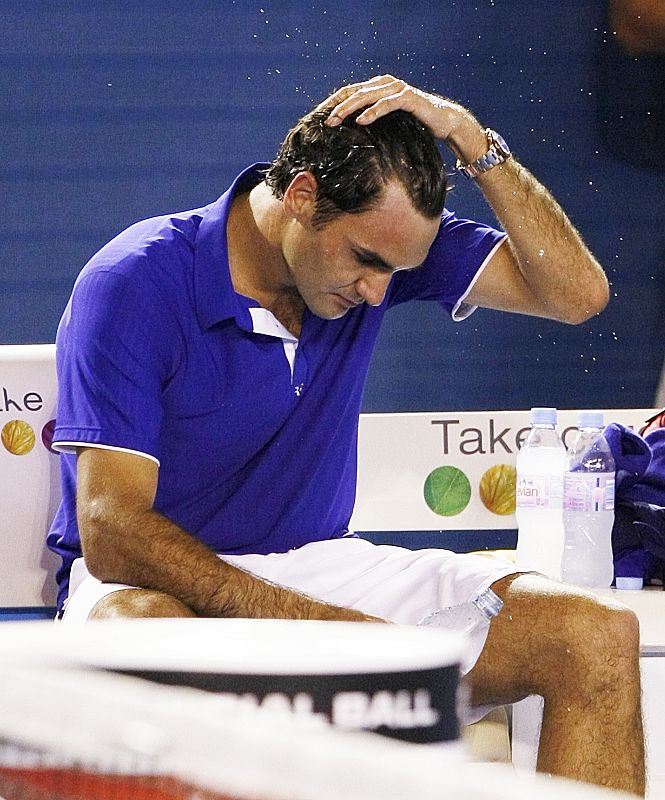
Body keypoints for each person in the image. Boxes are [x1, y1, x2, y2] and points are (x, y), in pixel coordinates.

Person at [47, 76, 644, 794]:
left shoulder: (382, 250)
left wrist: (469, 138)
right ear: (302, 196)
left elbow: (576, 295)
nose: (377, 293)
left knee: (592, 634)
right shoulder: (134, 280)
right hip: (155, 584)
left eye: (398, 271)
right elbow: (113, 532)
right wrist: (323, 627)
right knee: (140, 637)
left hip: (324, 565)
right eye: (365, 261)